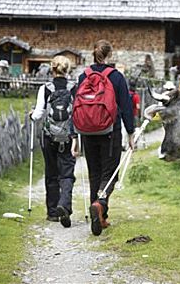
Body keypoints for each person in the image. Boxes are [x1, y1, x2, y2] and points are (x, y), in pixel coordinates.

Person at [73, 40, 135, 236]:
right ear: (110, 55)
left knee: (95, 173)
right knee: (110, 173)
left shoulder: (84, 76)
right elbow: (126, 107)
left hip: (87, 131)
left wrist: (75, 135)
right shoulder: (116, 77)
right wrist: (131, 133)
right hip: (110, 132)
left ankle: (100, 215)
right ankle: (100, 205)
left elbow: (76, 104)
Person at [31, 55, 77, 228]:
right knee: (67, 173)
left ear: (52, 69)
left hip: (49, 137)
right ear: (68, 70)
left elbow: (38, 115)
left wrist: (31, 115)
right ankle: (64, 205)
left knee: (51, 173)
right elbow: (77, 112)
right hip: (68, 136)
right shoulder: (74, 88)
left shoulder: (45, 89)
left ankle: (52, 213)